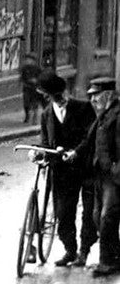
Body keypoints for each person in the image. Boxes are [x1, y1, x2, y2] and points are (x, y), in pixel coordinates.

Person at [34, 70, 97, 266]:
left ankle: (84, 252)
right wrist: (39, 152)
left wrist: (76, 152)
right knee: (63, 214)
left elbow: (90, 136)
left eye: (53, 94)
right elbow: (45, 142)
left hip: (85, 169)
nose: (54, 99)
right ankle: (70, 250)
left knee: (89, 214)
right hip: (61, 172)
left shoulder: (83, 108)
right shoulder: (46, 115)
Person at [88, 76, 120, 278]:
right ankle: (115, 256)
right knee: (98, 217)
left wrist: (117, 171)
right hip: (101, 174)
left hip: (113, 177)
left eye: (96, 95)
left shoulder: (117, 115)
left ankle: (107, 262)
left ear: (108, 95)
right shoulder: (104, 114)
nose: (92, 100)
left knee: (106, 218)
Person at [21, 53, 42, 124]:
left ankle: (35, 117)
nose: (27, 61)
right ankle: (27, 116)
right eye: (27, 59)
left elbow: (41, 77)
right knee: (26, 103)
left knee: (35, 103)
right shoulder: (24, 69)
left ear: (33, 61)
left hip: (35, 88)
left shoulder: (37, 69)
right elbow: (22, 78)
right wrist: (24, 82)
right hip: (27, 87)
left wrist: (36, 81)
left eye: (29, 59)